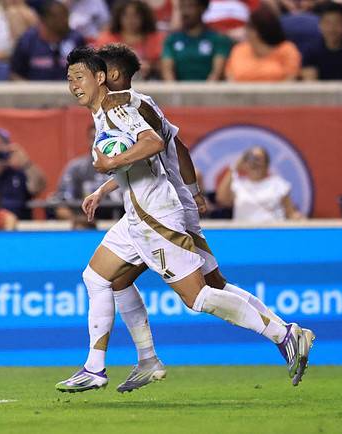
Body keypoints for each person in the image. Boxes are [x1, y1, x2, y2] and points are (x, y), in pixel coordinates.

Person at [56, 46, 313, 393]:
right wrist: (106, 187)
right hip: (141, 213)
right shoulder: (112, 110)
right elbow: (164, 150)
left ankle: (284, 334)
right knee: (101, 277)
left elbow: (152, 143)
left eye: (79, 77)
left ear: (104, 76)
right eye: (69, 79)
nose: (73, 85)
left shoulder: (121, 108)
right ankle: (109, 365)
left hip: (156, 217)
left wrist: (111, 164)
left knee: (199, 297)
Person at [216, 146, 303, 222]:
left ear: (266, 164)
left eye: (258, 159)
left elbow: (290, 213)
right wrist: (235, 167)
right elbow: (222, 199)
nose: (255, 163)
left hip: (272, 232)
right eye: (251, 159)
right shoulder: (238, 185)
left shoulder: (278, 184)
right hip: (244, 233)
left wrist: (297, 218)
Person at [52, 124, 120, 220]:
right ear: (88, 141)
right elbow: (61, 206)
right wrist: (81, 222)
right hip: (85, 221)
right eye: (94, 139)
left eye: (104, 139)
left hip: (121, 219)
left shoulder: (127, 166)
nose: (99, 144)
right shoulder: (76, 168)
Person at [10, 0, 85, 80]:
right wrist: (28, 87)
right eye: (56, 18)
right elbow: (15, 74)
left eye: (64, 18)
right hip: (34, 87)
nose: (62, 22)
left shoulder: (76, 40)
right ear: (43, 22)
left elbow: (85, 73)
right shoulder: (28, 41)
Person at [224, 5, 301, 81]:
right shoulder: (238, 50)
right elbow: (230, 77)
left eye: (249, 27)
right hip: (241, 89)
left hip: (277, 89)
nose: (246, 30)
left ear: (257, 31)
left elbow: (290, 79)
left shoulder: (287, 49)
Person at [161, 0, 231, 81]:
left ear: (202, 8)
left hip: (210, 88)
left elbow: (217, 73)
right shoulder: (172, 39)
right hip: (178, 88)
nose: (185, 12)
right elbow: (167, 72)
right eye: (182, 7)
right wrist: (174, 89)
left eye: (190, 6)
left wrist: (205, 89)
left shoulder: (218, 39)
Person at [94, 0, 164, 79]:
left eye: (136, 16)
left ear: (144, 17)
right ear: (118, 17)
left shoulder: (155, 38)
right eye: (125, 16)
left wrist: (150, 66)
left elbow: (164, 64)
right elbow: (98, 64)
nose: (131, 20)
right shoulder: (106, 38)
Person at [300, 1, 342, 81]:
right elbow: (310, 83)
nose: (332, 28)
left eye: (337, 23)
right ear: (320, 25)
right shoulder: (310, 49)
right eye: (327, 23)